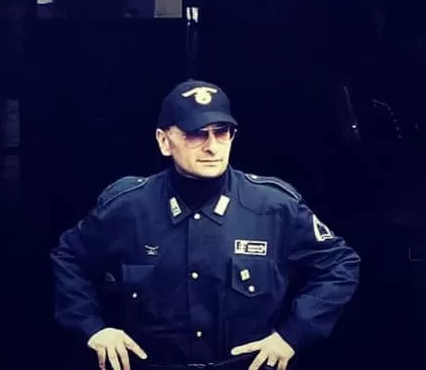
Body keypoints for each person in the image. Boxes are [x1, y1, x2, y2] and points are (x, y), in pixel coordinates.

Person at [51, 79, 360, 370]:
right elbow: (70, 257)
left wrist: (293, 334)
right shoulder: (128, 207)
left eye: (222, 132)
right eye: (196, 134)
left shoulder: (273, 207)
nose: (212, 147)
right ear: (164, 141)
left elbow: (339, 264)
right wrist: (94, 329)